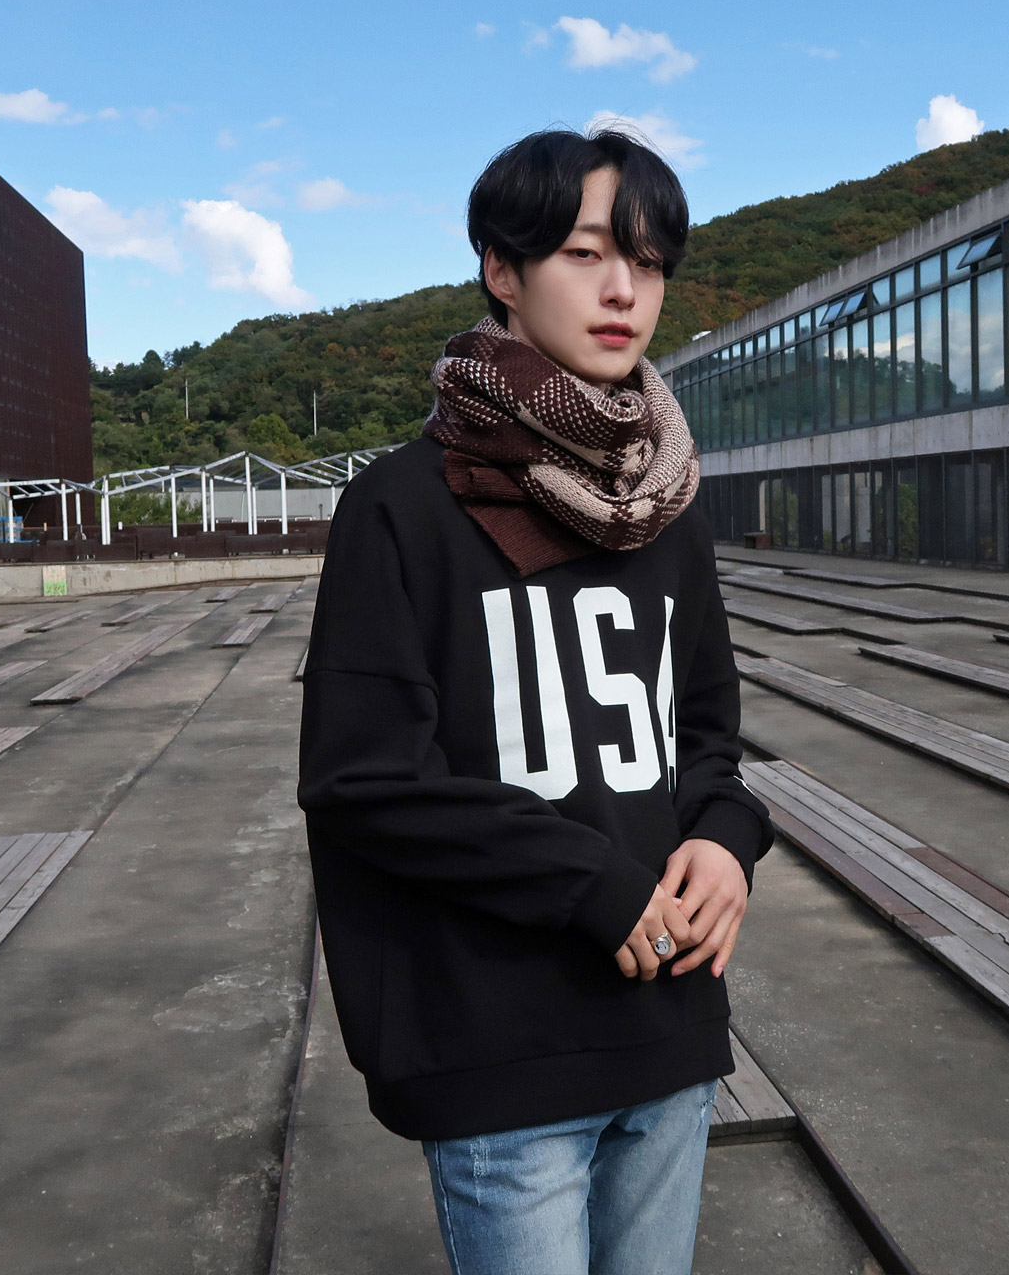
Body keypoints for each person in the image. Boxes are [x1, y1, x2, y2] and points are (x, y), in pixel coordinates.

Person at [297, 127, 773, 1275]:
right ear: (500, 269)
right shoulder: (401, 507)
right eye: (584, 252)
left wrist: (725, 836)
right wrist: (589, 885)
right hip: (498, 1043)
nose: (623, 290)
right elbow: (364, 779)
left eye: (648, 262)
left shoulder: (667, 507)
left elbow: (705, 737)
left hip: (667, 1028)